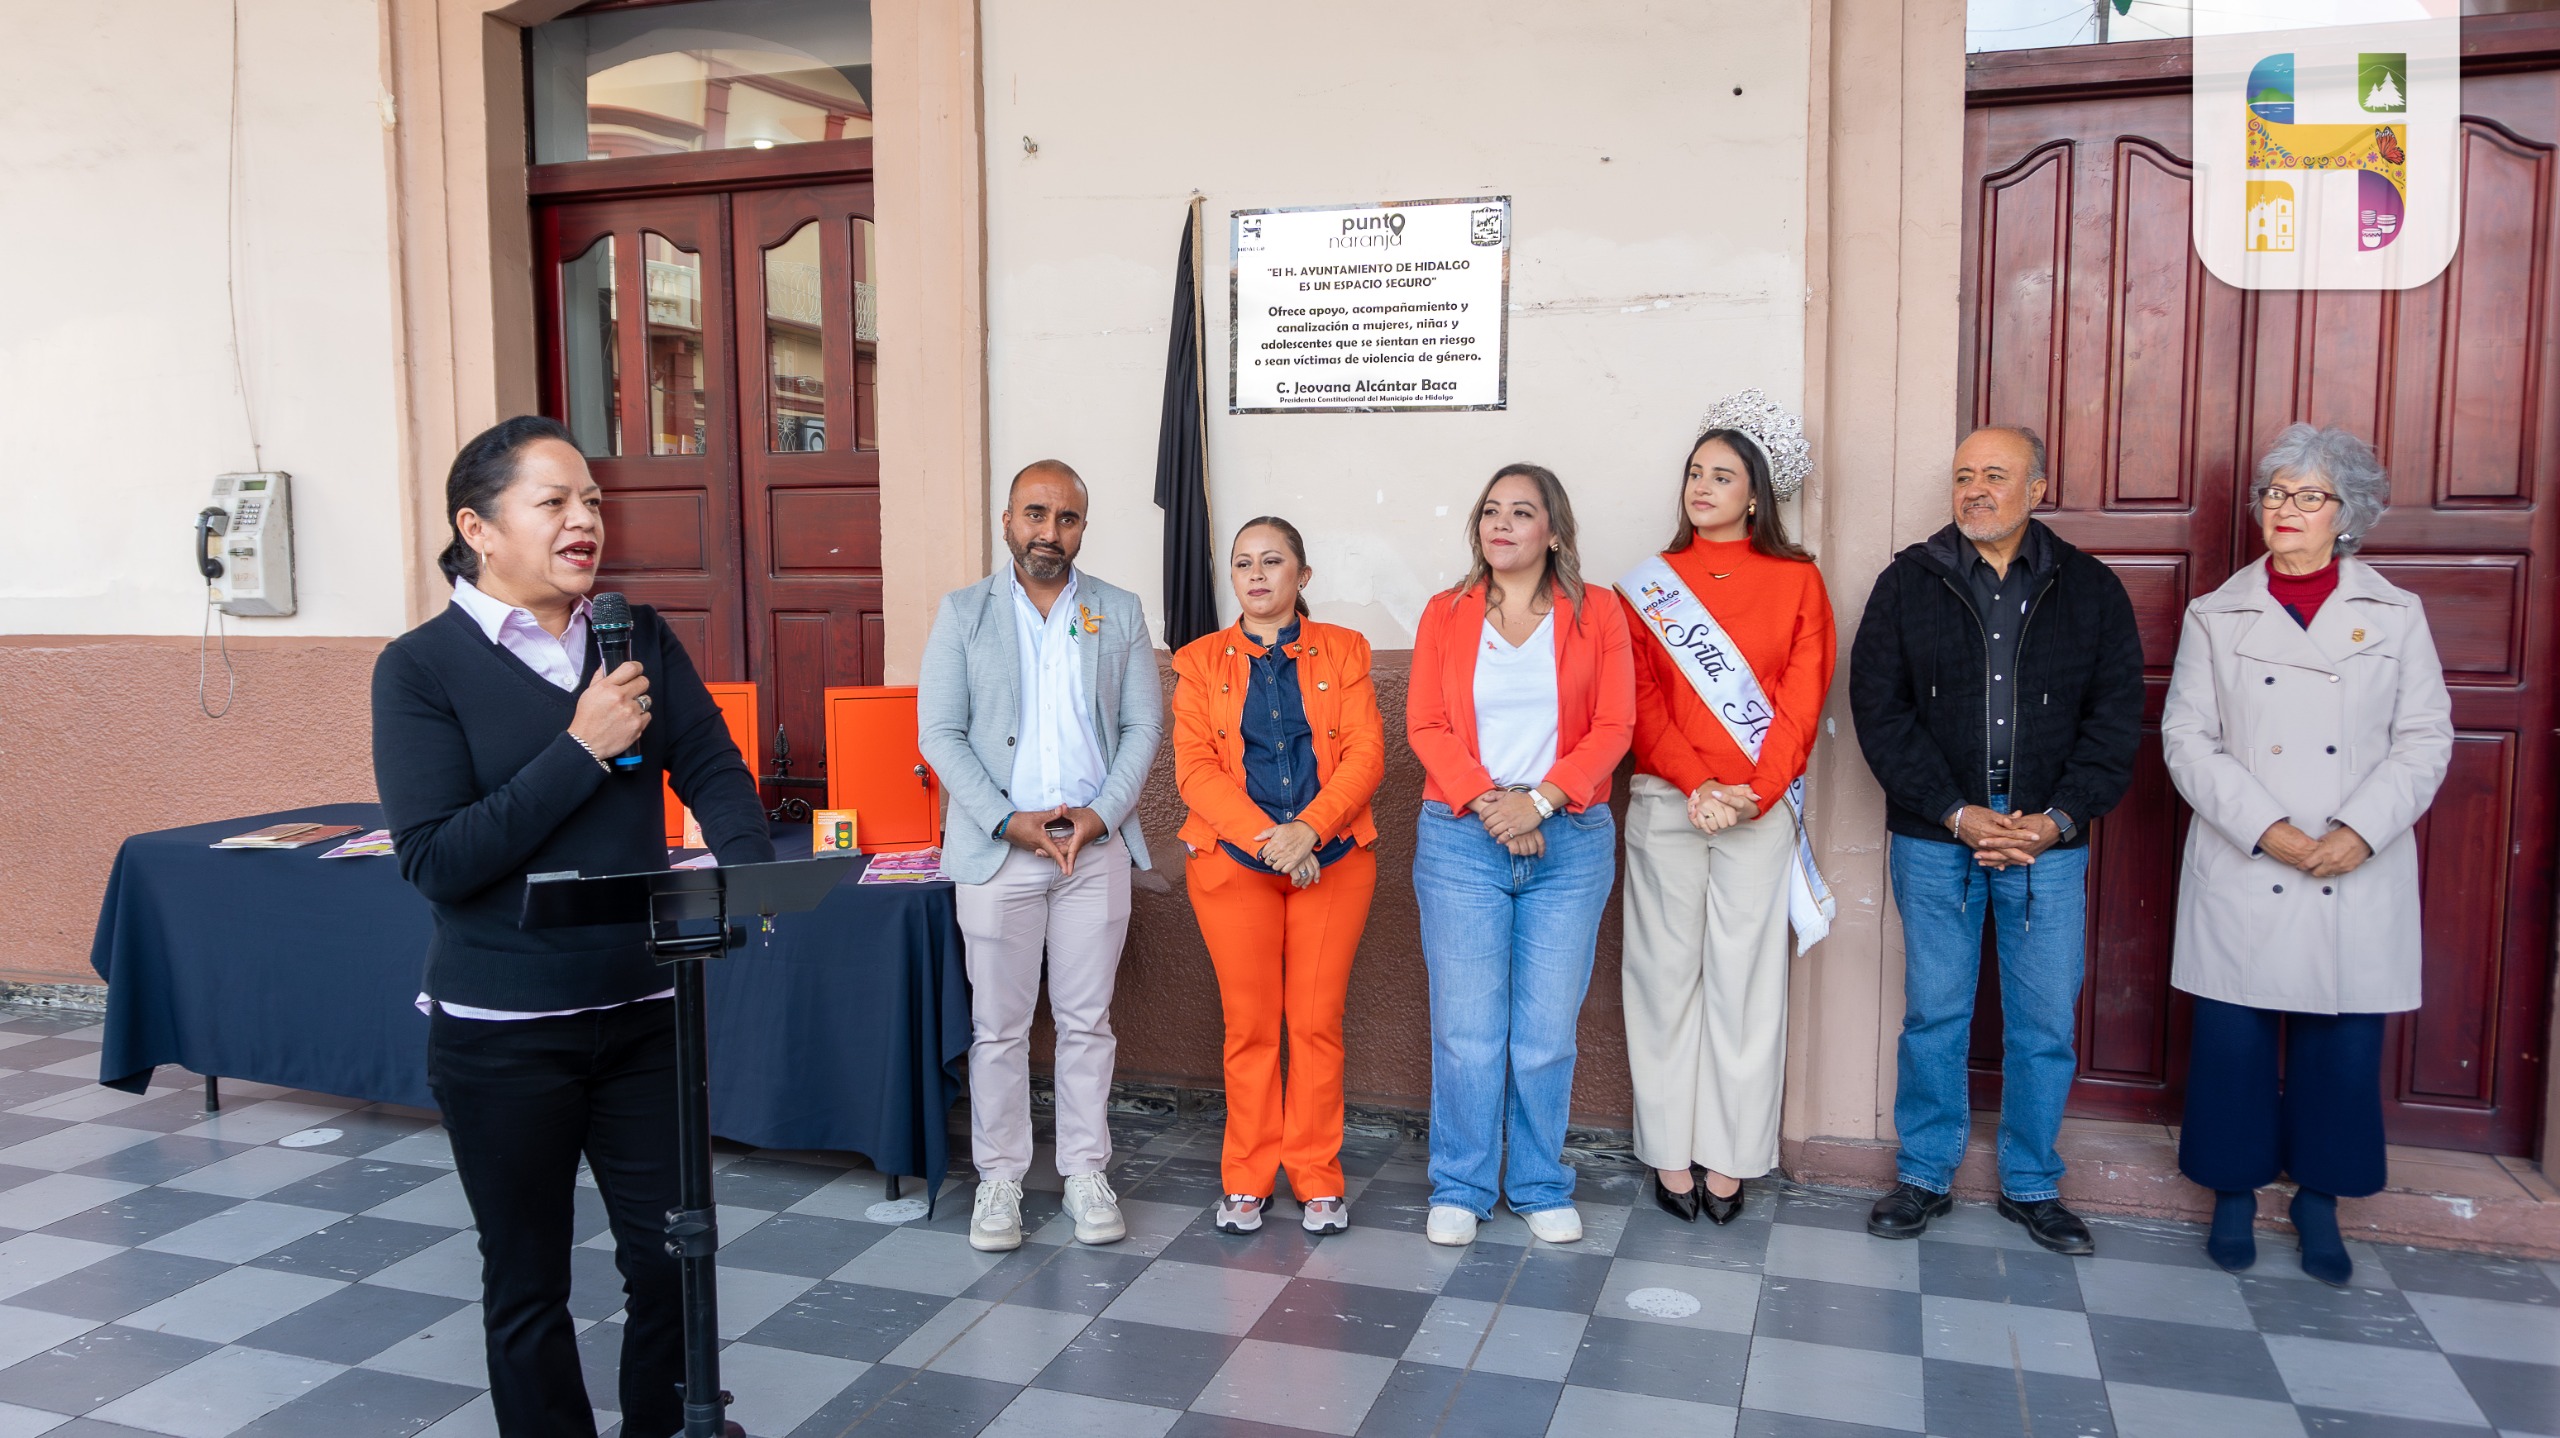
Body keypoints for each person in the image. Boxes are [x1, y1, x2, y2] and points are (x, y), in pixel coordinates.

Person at [373, 416, 771, 1438]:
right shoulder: (418, 669)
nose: (585, 519)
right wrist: (581, 747)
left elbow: (713, 766)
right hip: (502, 1032)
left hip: (642, 1013)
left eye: (592, 499)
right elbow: (437, 859)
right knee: (527, 1281)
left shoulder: (629, 633)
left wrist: (751, 869)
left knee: (671, 1257)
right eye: (553, 501)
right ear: (479, 526)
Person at [2160, 424, 2451, 1286]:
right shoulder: (2217, 613)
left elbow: (2425, 737)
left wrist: (2359, 831)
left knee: (2341, 1045)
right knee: (2234, 1041)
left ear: (2348, 514)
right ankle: (2233, 1193)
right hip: (2250, 854)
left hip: (2355, 863)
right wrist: (2270, 830)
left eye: (2308, 496)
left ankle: (2321, 1201)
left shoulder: (2397, 614)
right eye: (2274, 494)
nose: (2285, 510)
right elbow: (2187, 740)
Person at [1848, 424, 2144, 1256]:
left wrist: (2055, 820)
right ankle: (1924, 1174)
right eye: (1963, 475)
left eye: (1996, 475)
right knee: (1935, 1014)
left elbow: (2116, 720)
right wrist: (1952, 810)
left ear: (2038, 489)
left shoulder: (2089, 589)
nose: (1975, 489)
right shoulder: (1909, 583)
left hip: (2047, 842)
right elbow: (1881, 710)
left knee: (2043, 1022)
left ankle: (2031, 1183)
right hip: (1937, 836)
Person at [917, 459, 1165, 1254]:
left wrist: (1099, 816)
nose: (1048, 533)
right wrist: (1004, 821)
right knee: (999, 1027)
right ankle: (1000, 1180)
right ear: (1007, 523)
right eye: (1034, 515)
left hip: (1092, 850)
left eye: (1065, 519)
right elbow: (940, 734)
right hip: (1001, 854)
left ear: (1083, 528)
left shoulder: (1118, 611)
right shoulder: (963, 614)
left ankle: (1086, 1171)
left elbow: (1141, 730)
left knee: (1089, 1023)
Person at [1616, 392, 1836, 1226]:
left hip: (1756, 805)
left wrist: (1750, 792)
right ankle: (1669, 1152)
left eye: (1723, 475)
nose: (1703, 486)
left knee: (1746, 983)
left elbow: (1800, 701)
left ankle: (1733, 1157)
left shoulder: (1798, 581)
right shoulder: (1646, 586)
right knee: (1663, 978)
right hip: (1671, 800)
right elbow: (1641, 701)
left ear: (1756, 494)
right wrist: (1699, 785)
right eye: (1694, 472)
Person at [1407, 464, 1635, 1248]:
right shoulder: (1447, 612)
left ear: (1554, 532)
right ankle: (1462, 1184)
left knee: (1544, 1034)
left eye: (1521, 512)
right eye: (1490, 512)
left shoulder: (1597, 612)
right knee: (1467, 1030)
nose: (1501, 524)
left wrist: (1538, 802)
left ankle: (1538, 1182)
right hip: (1462, 836)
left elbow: (1614, 727)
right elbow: (1427, 725)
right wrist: (1493, 804)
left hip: (1568, 838)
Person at [1172, 516, 1385, 1236]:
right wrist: (1273, 843)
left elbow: (1365, 755)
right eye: (1243, 564)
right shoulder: (1198, 662)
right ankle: (1248, 1177)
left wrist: (1310, 832)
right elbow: (1194, 771)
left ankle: (1318, 1176)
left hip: (1335, 859)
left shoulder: (1347, 650)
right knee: (1251, 1027)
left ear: (1303, 575)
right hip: (1236, 866)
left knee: (1317, 1024)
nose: (1257, 575)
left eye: (1273, 561)